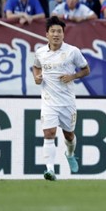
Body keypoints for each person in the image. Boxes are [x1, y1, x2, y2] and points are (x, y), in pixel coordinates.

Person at [32, 16, 91, 181]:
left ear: (63, 34)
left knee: (69, 136)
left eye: (59, 31)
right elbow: (36, 67)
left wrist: (73, 76)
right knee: (49, 133)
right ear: (47, 34)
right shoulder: (40, 53)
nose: (56, 34)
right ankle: (50, 170)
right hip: (49, 101)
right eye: (53, 31)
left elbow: (86, 70)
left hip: (67, 102)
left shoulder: (72, 52)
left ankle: (70, 154)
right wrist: (36, 77)